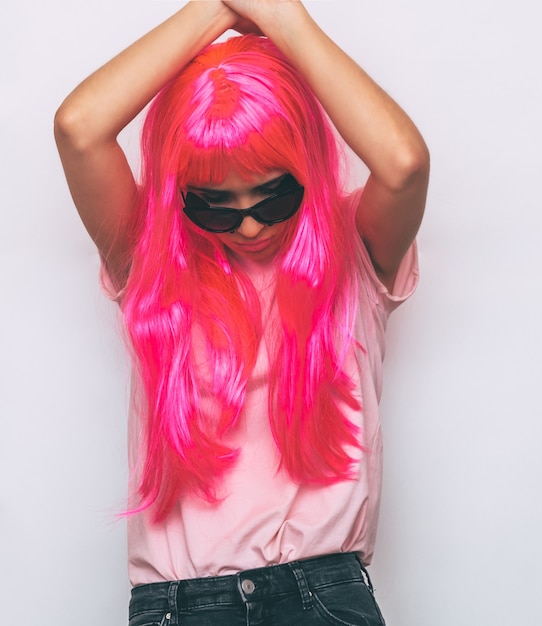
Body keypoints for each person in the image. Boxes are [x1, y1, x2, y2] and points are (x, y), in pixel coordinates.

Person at [54, 1, 429, 624]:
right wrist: (217, 9)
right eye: (216, 207)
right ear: (182, 199)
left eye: (275, 195)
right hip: (179, 606)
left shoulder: (355, 255)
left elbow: (405, 162)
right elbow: (79, 126)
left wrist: (283, 19)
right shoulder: (151, 263)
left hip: (323, 596)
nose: (251, 224)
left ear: (307, 168)